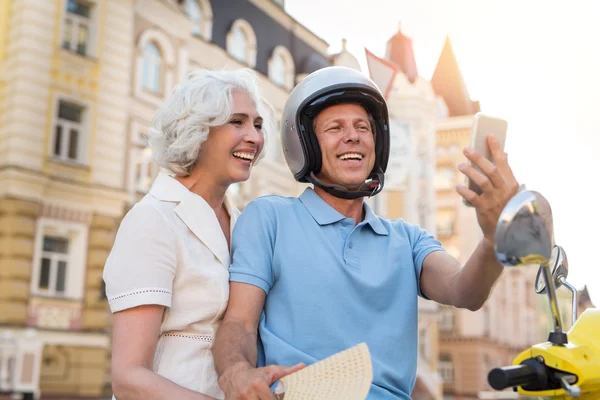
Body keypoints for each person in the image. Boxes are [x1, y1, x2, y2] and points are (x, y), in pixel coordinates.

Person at [212, 66, 520, 400]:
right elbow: (239, 323)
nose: (353, 136)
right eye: (335, 128)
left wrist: (493, 238)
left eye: (363, 127)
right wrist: (235, 373)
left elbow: (465, 292)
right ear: (306, 146)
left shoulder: (408, 240)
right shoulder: (269, 217)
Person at [103, 68, 269, 400]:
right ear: (197, 130)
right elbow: (128, 376)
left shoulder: (245, 225)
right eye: (236, 122)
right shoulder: (153, 219)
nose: (254, 136)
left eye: (258, 124)